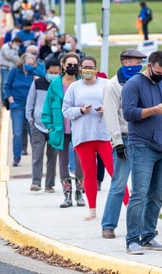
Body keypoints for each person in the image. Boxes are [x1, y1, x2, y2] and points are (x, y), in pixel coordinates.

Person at [122, 50, 162, 255]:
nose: (161, 75)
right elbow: (129, 113)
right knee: (139, 194)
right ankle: (132, 240)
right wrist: (154, 110)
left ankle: (149, 235)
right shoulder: (133, 84)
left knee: (156, 195)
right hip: (142, 146)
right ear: (150, 65)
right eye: (158, 71)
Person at [101, 48, 146, 239]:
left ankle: (141, 226)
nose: (140, 65)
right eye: (137, 62)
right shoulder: (112, 86)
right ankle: (108, 225)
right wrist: (117, 142)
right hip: (125, 139)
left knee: (141, 186)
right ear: (126, 62)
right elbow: (110, 115)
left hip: (142, 138)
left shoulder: (143, 82)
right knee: (119, 183)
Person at [62, 56, 114, 221]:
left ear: (96, 68)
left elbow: (117, 105)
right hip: (83, 137)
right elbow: (66, 111)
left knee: (115, 171)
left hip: (104, 135)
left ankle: (128, 204)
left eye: (91, 67)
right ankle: (92, 210)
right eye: (84, 67)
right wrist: (81, 111)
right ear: (80, 69)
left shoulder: (106, 84)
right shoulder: (74, 87)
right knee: (89, 174)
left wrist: (105, 109)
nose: (88, 70)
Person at [41, 52, 85, 208]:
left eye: (75, 64)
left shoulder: (83, 83)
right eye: (69, 64)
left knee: (80, 162)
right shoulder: (55, 85)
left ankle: (80, 193)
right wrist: (50, 126)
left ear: (78, 66)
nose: (72, 67)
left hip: (79, 128)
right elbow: (47, 107)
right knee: (63, 163)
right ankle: (67, 196)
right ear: (63, 66)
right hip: (60, 129)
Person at [25, 59, 60, 193]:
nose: (54, 74)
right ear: (46, 71)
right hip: (38, 125)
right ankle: (36, 182)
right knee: (37, 154)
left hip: (55, 126)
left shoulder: (60, 85)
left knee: (52, 157)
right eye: (51, 72)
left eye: (56, 72)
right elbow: (30, 101)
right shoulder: (38, 83)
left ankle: (49, 184)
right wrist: (30, 118)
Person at [5, 53, 38, 167]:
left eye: (31, 64)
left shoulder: (34, 74)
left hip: (30, 107)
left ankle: (36, 157)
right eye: (27, 63)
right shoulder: (15, 71)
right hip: (17, 105)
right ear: (22, 62)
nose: (29, 65)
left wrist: (37, 78)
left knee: (33, 133)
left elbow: (45, 80)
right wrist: (11, 99)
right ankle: (16, 156)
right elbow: (7, 85)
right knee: (18, 132)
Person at [0, 36, 22, 106]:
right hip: (4, 67)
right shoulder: (5, 47)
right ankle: (4, 100)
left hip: (12, 68)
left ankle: (7, 100)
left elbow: (16, 57)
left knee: (10, 84)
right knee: (4, 84)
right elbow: (8, 56)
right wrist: (17, 59)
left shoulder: (16, 48)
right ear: (14, 42)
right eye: (17, 44)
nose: (17, 46)